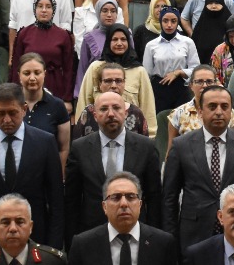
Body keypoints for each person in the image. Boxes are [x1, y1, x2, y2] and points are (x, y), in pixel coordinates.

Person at [0, 85, 65, 257]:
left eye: (12, 113)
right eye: (1, 114)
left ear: (24, 109)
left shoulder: (45, 143)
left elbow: (56, 201)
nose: (7, 120)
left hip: (37, 242)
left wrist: (53, 249)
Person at [161, 84, 234, 254]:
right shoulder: (181, 145)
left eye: (225, 107)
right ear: (200, 112)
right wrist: (170, 238)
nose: (219, 112)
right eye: (212, 106)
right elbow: (169, 197)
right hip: (193, 235)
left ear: (231, 111)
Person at [67, 90, 164, 232]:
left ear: (125, 113)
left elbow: (154, 198)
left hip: (136, 231)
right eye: (104, 109)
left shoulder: (146, 147)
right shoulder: (79, 148)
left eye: (116, 108)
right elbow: (72, 200)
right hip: (92, 233)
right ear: (95, 116)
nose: (111, 114)